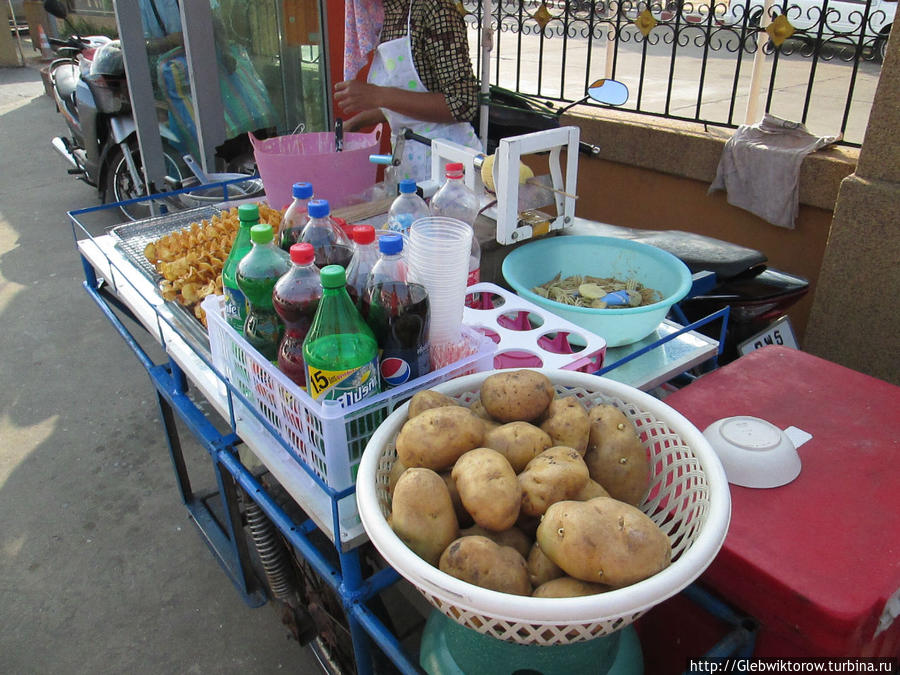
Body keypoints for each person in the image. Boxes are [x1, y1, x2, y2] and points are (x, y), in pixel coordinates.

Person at [334, 0, 483, 183]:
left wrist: (377, 95)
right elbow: (408, 99)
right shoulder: (387, 14)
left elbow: (463, 103)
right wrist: (357, 123)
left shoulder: (435, 8)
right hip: (409, 166)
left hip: (452, 170)